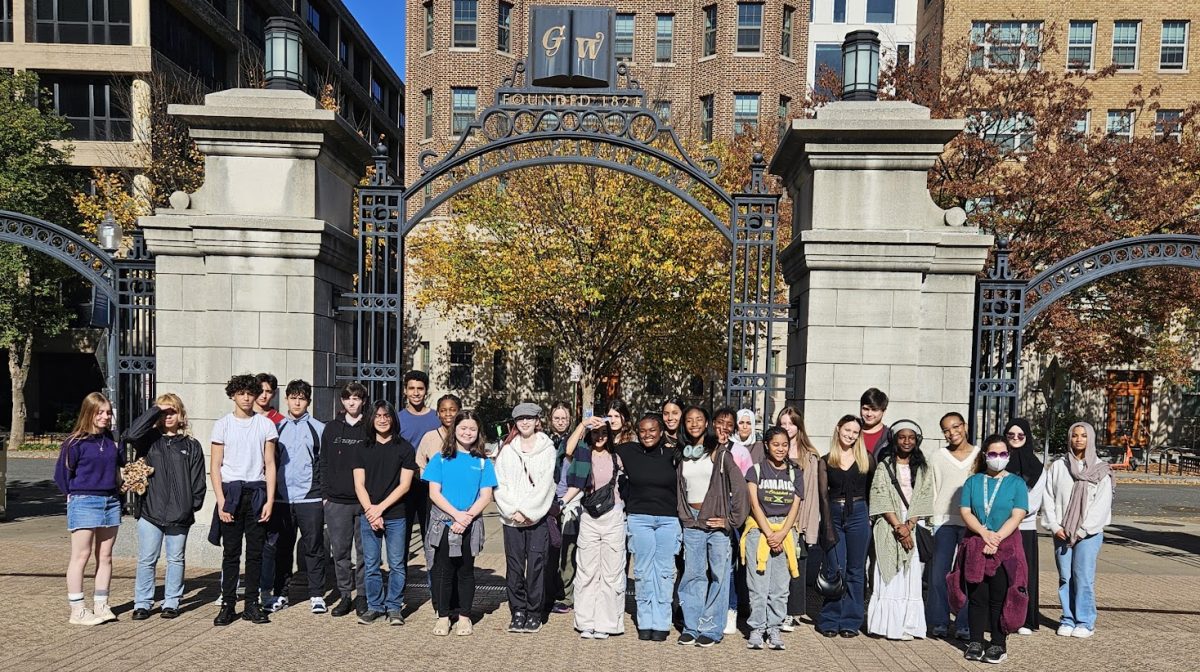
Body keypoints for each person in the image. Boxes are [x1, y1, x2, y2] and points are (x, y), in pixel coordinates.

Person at [126, 394, 206, 621]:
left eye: (172, 411)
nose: (168, 416)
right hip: (151, 511)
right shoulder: (149, 439)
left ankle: (172, 601)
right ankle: (142, 603)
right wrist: (156, 410)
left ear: (181, 414)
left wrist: (191, 506)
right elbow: (131, 434)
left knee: (176, 559)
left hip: (180, 514)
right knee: (147, 559)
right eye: (164, 412)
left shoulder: (191, 445)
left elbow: (198, 480)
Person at [951, 434, 1029, 664]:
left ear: (1008, 455)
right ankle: (975, 641)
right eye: (993, 454)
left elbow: (1018, 514)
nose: (998, 458)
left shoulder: (1016, 483)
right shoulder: (973, 482)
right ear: (985, 456)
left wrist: (996, 539)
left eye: (1002, 454)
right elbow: (965, 511)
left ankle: (998, 643)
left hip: (1005, 546)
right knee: (977, 597)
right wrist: (984, 534)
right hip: (977, 543)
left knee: (999, 597)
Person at [676, 405, 749, 647]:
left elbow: (740, 488)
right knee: (693, 575)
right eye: (689, 420)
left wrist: (731, 521)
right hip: (693, 523)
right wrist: (685, 515)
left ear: (707, 423)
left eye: (699, 419)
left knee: (719, 576)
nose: (694, 423)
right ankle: (692, 626)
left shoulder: (720, 453)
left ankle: (712, 628)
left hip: (717, 525)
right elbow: (680, 490)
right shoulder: (684, 454)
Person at [209, 374, 279, 626]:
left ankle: (252, 604)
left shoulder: (265, 425)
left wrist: (270, 500)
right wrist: (220, 500)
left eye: (250, 393)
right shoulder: (223, 425)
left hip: (257, 492)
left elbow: (270, 465)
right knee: (231, 553)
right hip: (231, 493)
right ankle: (228, 604)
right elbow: (215, 466)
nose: (247, 397)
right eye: (241, 393)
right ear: (233, 396)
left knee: (256, 553)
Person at [423, 409, 497, 636]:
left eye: (472, 429)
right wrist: (456, 515)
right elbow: (434, 493)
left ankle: (465, 616)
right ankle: (443, 616)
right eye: (463, 428)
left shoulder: (483, 462)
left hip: (470, 524)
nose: (467, 433)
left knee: (466, 571)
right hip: (444, 524)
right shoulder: (440, 459)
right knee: (444, 571)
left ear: (478, 432)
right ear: (454, 429)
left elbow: (486, 496)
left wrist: (465, 519)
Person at [54, 392, 124, 625]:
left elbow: (120, 467)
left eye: (108, 412)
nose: (105, 417)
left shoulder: (111, 441)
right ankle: (78, 609)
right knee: (81, 555)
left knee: (105, 556)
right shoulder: (75, 443)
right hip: (84, 500)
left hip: (111, 501)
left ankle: (101, 604)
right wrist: (73, 497)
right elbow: (62, 476)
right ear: (89, 413)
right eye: (100, 412)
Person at [261, 379, 327, 614]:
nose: (297, 402)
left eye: (302, 398)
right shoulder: (275, 428)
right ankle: (280, 594)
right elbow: (268, 463)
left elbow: (324, 464)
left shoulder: (319, 428)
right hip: (281, 499)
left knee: (315, 548)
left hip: (310, 499)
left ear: (308, 401)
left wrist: (323, 495)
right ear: (287, 399)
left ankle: (317, 594)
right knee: (282, 549)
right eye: (293, 397)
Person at [1042, 421, 1113, 639]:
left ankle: (1085, 621)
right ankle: (1068, 618)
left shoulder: (1101, 470)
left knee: (1083, 576)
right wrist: (1054, 526)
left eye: (1083, 435)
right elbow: (1049, 497)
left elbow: (1101, 505)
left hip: (1088, 534)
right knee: (1065, 576)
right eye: (1075, 435)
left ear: (1090, 439)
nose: (1079, 439)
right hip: (1062, 532)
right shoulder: (1059, 466)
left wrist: (1082, 530)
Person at [493, 402, 558, 634]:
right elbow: (500, 484)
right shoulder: (507, 451)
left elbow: (546, 485)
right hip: (511, 519)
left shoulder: (548, 449)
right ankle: (517, 610)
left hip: (537, 518)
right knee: (514, 566)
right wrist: (513, 511)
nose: (525, 422)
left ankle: (534, 612)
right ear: (515, 422)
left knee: (536, 566)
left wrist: (529, 512)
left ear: (537, 420)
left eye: (530, 418)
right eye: (521, 419)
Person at [866, 420, 933, 640]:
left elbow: (924, 497)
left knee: (909, 575)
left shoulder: (923, 468)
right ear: (895, 440)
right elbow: (880, 497)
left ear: (917, 440)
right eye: (902, 437)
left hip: (912, 524)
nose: (907, 441)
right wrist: (898, 527)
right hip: (889, 525)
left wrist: (909, 526)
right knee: (889, 573)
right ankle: (887, 626)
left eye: (911, 437)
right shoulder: (885, 466)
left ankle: (908, 625)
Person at [353, 400, 417, 626]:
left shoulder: (405, 448)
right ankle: (374, 607)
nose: (382, 420)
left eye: (386, 416)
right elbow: (359, 484)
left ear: (393, 419)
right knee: (371, 564)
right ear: (371, 419)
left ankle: (394, 607)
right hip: (368, 515)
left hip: (396, 515)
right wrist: (371, 511)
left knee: (397, 564)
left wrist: (380, 509)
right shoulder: (362, 447)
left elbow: (405, 485)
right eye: (378, 416)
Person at [618, 414, 680, 642]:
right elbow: (595, 444)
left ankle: (662, 621)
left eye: (652, 430)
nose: (647, 434)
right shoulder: (628, 451)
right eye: (643, 430)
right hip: (639, 519)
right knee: (643, 572)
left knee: (664, 572)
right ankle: (645, 620)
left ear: (661, 431)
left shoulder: (674, 454)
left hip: (668, 520)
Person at [741, 426, 803, 650]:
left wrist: (782, 533)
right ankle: (757, 628)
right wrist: (769, 533)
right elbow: (754, 504)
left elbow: (795, 506)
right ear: (766, 445)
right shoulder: (755, 471)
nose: (780, 448)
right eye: (776, 444)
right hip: (759, 531)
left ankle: (774, 627)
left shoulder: (795, 472)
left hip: (785, 533)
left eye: (784, 444)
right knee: (758, 585)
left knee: (780, 586)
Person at [816, 414, 876, 638]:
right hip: (834, 513)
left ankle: (851, 620)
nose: (850, 435)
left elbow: (872, 489)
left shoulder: (866, 459)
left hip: (859, 514)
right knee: (835, 569)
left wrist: (870, 517)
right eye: (847, 430)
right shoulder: (826, 460)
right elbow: (822, 496)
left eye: (855, 432)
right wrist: (827, 526)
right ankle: (830, 619)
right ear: (838, 429)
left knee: (856, 569)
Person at [565, 422, 626, 639]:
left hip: (613, 515)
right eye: (595, 433)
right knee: (587, 570)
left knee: (611, 572)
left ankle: (607, 623)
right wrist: (583, 424)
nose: (599, 437)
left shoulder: (617, 458)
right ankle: (585, 622)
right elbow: (568, 450)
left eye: (603, 433)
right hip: (589, 516)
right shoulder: (584, 455)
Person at [925, 411, 979, 640]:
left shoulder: (979, 455)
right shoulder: (937, 457)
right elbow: (932, 487)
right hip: (943, 522)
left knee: (968, 574)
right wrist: (931, 521)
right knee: (939, 574)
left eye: (955, 427)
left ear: (964, 426)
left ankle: (964, 623)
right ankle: (939, 621)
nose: (952, 433)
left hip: (971, 523)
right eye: (946, 430)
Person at [321, 382, 371, 617]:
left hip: (363, 502)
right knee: (340, 552)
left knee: (364, 552)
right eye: (348, 398)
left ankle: (362, 595)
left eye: (356, 398)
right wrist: (324, 496)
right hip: (336, 501)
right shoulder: (331, 428)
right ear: (342, 401)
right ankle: (344, 595)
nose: (352, 402)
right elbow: (323, 462)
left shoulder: (369, 427)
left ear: (362, 401)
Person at [776, 406, 821, 631]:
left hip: (798, 521)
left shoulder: (810, 457)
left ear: (798, 426)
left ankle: (792, 612)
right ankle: (775, 609)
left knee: (796, 567)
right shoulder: (773, 450)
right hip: (775, 518)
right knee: (776, 567)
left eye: (791, 423)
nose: (787, 428)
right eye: (783, 423)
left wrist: (809, 529)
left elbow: (812, 495)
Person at [399, 370, 442, 587]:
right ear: (405, 390)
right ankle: (400, 585)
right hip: (405, 486)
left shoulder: (436, 417)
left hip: (430, 486)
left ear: (426, 391)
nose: (416, 393)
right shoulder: (397, 419)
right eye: (412, 388)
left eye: (420, 389)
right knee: (402, 537)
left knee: (430, 536)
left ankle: (434, 585)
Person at [1004, 417, 1046, 635]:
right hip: (999, 529)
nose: (1016, 439)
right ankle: (1001, 616)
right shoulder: (998, 460)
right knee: (1002, 575)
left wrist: (1009, 512)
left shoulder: (1037, 467)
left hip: (1025, 528)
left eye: (1021, 435)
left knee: (1024, 574)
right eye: (1011, 435)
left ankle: (1023, 619)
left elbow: (1033, 503)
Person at [546, 402, 581, 615]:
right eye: (557, 418)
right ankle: (549, 592)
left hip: (569, 501)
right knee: (549, 551)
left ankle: (567, 596)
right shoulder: (543, 441)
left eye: (564, 418)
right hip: (547, 503)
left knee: (568, 551)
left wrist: (565, 501)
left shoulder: (576, 442)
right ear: (551, 420)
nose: (560, 422)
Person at [859, 388, 891, 457]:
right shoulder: (850, 432)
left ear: (884, 412)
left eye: (874, 410)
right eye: (865, 409)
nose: (869, 414)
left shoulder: (890, 437)